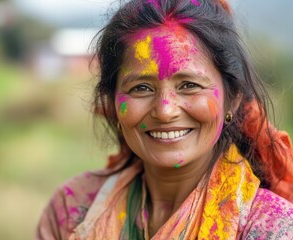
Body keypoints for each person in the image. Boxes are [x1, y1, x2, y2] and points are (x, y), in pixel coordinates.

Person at [36, 0, 293, 239]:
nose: (165, 110)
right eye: (141, 88)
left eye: (189, 85)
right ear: (112, 102)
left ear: (233, 98)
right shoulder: (71, 210)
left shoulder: (270, 226)